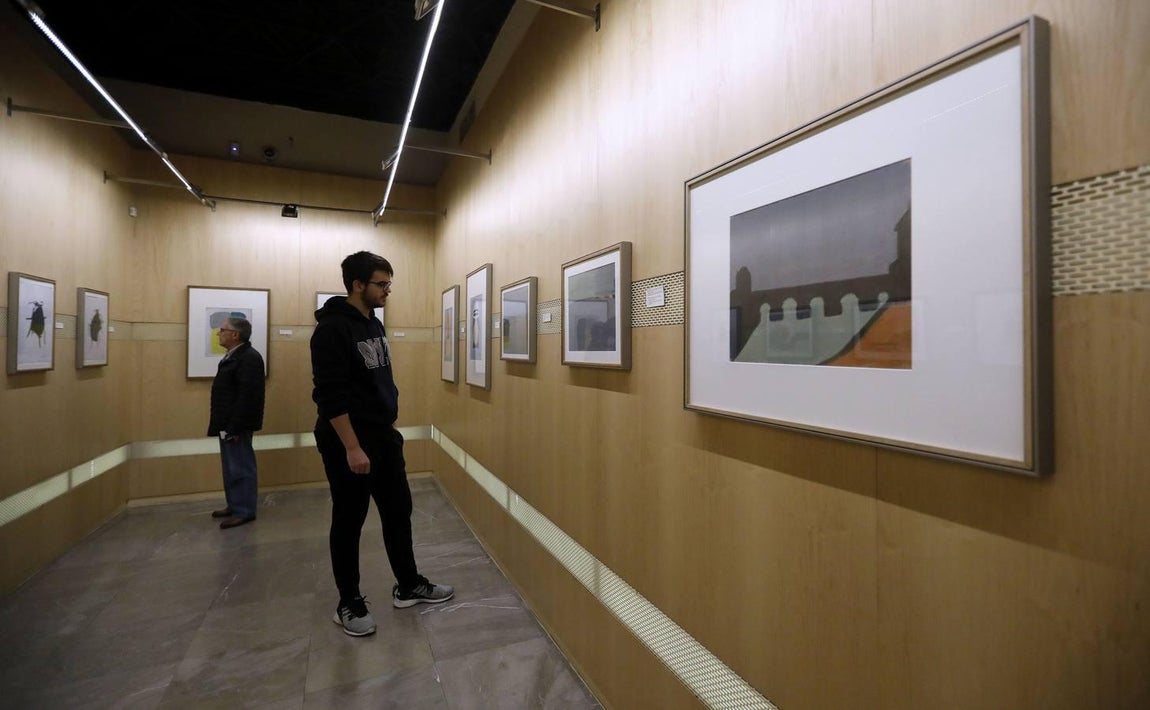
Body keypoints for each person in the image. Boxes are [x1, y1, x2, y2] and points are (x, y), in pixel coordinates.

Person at [311, 251, 454, 637]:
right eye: (381, 284)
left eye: (388, 283)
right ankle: (349, 603)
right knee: (349, 519)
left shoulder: (372, 322)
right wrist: (353, 448)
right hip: (349, 441)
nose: (388, 290)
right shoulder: (331, 330)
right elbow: (330, 396)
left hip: (382, 436)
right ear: (358, 285)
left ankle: (408, 584)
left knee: (398, 511)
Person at [206, 316, 265, 529]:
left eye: (222, 330)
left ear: (235, 335)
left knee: (241, 466)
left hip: (236, 424)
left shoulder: (249, 358)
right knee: (230, 466)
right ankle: (235, 504)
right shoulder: (234, 356)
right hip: (227, 423)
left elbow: (248, 397)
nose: (218, 333)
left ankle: (244, 510)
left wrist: (235, 426)